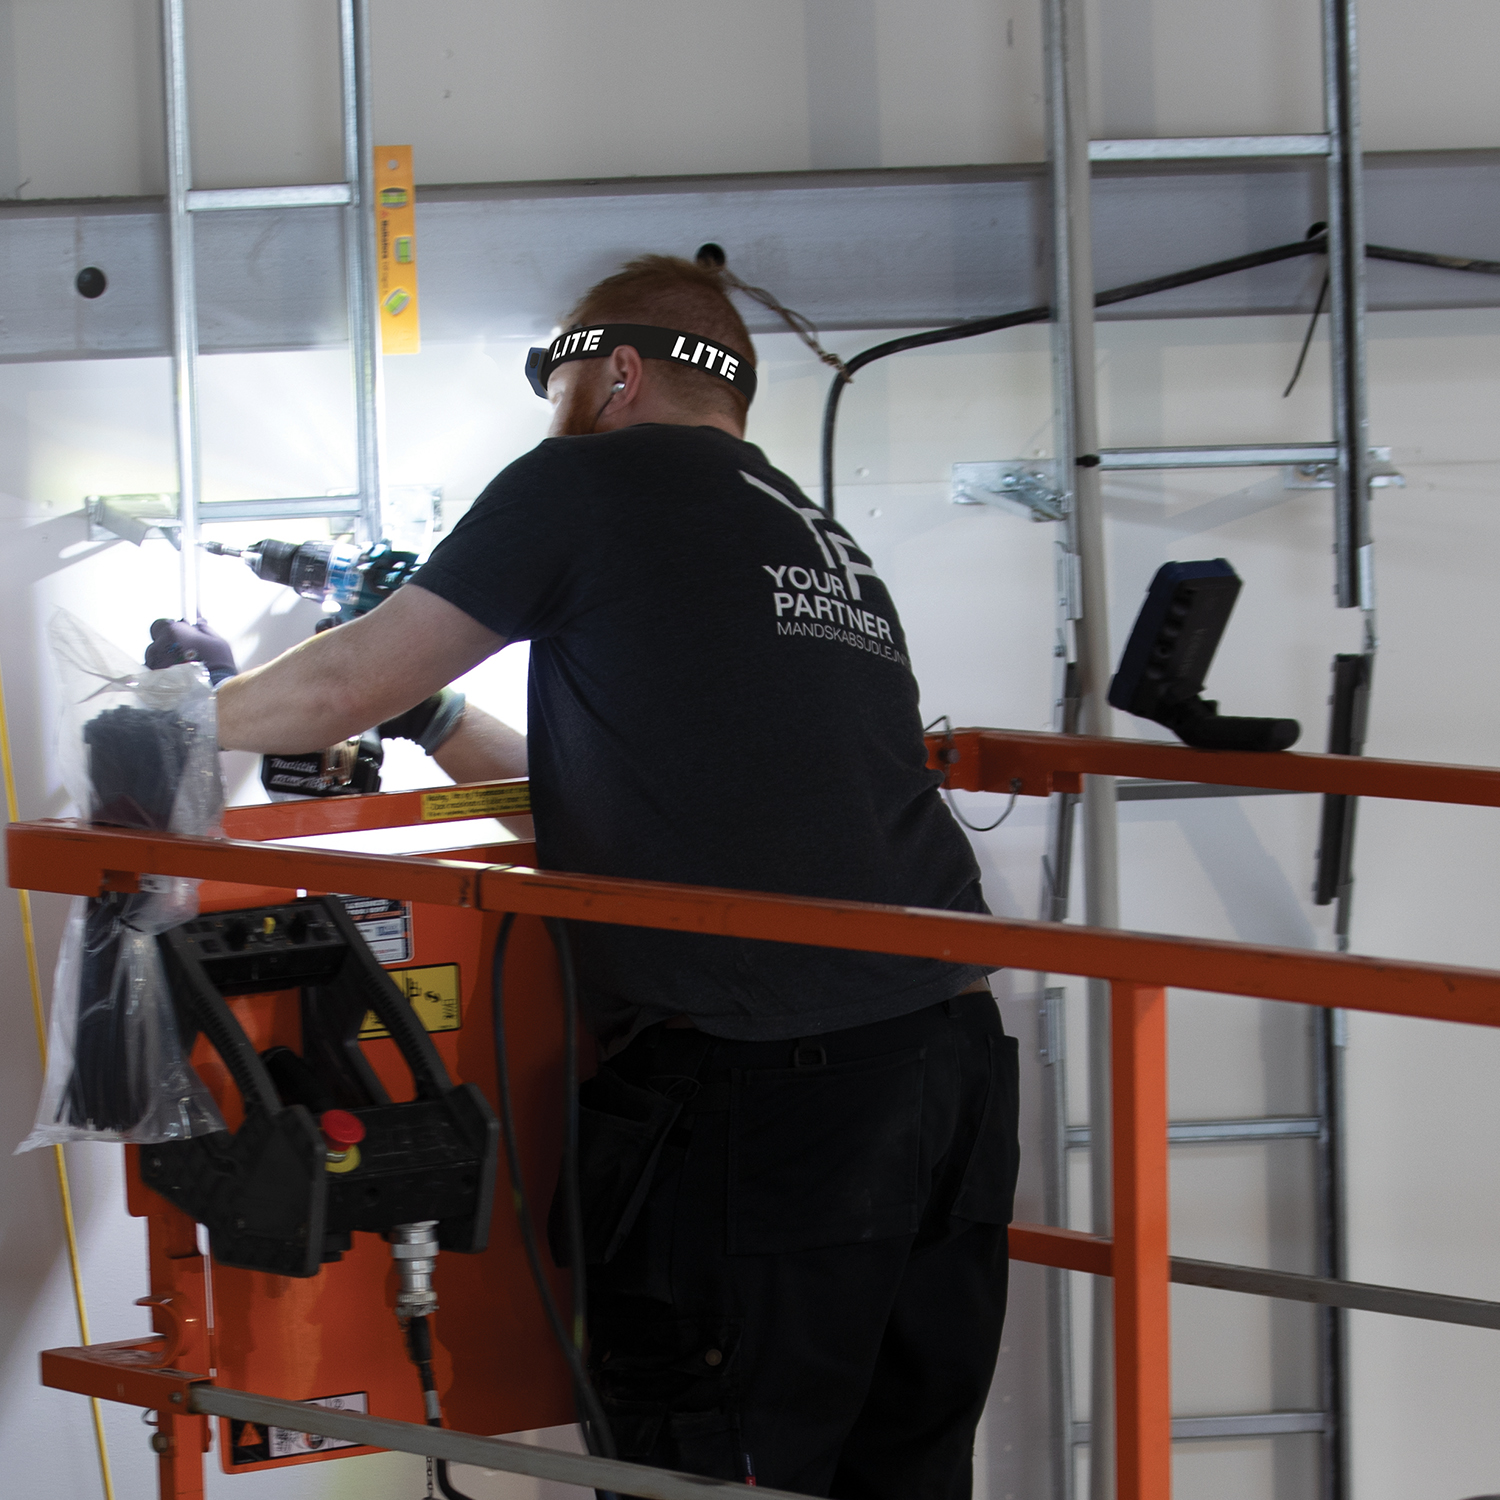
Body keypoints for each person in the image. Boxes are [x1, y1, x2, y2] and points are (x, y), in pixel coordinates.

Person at [156, 255, 1019, 1500]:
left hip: (775, 1093)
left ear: (615, 372)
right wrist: (436, 714)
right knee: (900, 1470)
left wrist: (168, 720)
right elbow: (628, 788)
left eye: (551, 377)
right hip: (944, 1061)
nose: (550, 408)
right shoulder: (802, 529)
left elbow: (337, 684)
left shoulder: (589, 478)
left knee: (710, 1468)